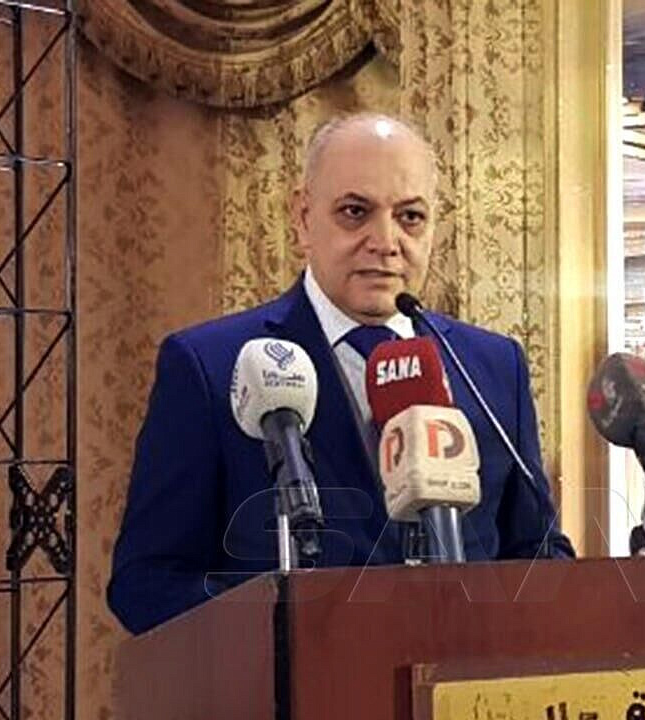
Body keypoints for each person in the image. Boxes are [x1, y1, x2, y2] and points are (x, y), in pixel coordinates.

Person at [107, 113, 574, 635]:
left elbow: (539, 552)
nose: (386, 241)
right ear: (303, 218)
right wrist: (294, 627)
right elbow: (147, 584)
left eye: (410, 217)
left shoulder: (493, 366)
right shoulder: (209, 365)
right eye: (356, 212)